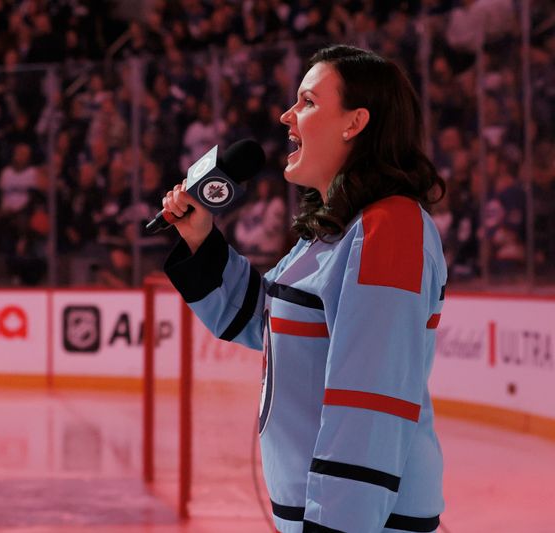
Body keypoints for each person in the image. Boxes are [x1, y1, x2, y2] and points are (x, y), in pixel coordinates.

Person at [160, 45, 447, 533]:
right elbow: (263, 321)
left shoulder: (390, 227)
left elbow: (370, 402)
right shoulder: (333, 229)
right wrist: (201, 239)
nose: (286, 116)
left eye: (308, 101)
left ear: (354, 123)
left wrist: (335, 526)